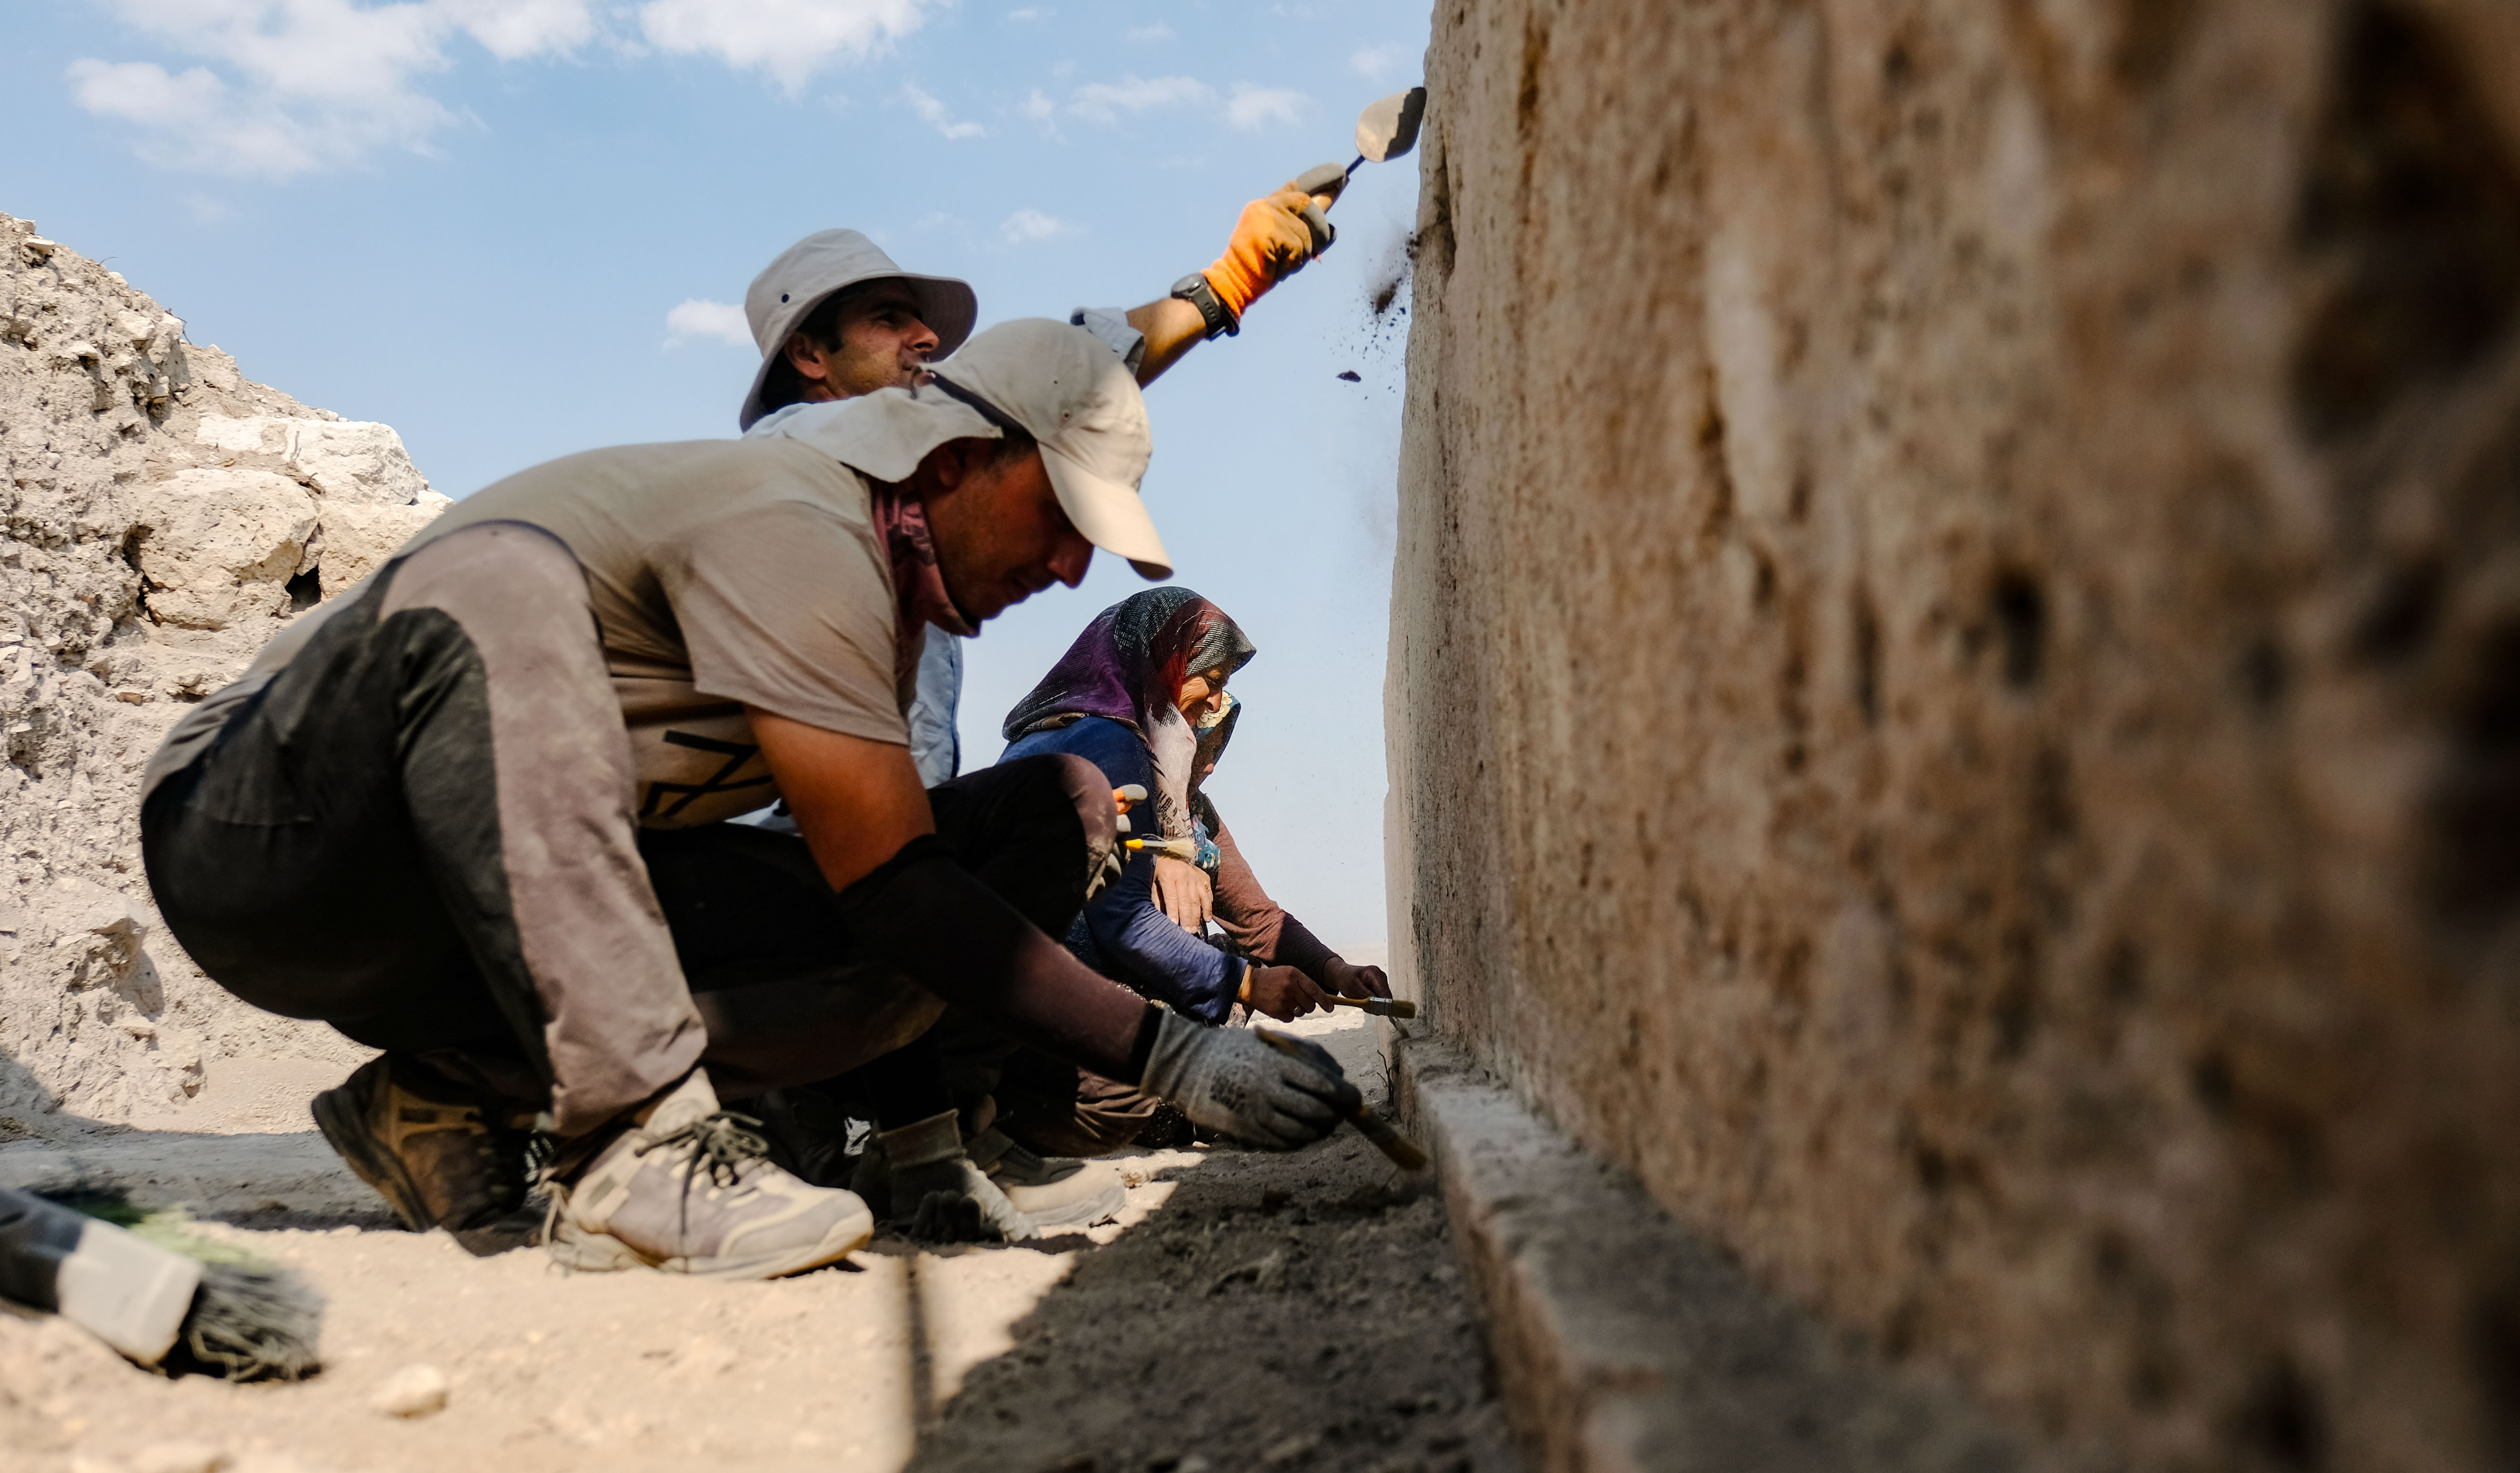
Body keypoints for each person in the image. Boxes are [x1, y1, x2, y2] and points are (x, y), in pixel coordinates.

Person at [137, 321, 1362, 1278]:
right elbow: (897, 891)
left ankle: (454, 1089)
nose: (1067, 569)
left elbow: (897, 902)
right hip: (267, 835)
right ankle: (633, 1149)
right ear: (955, 461)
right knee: (504, 585)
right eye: (1057, 520)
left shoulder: (874, 626)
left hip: (484, 911)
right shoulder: (801, 521)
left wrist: (926, 1152)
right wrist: (1177, 1055)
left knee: (1040, 812)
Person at [734, 173, 1343, 787]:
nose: (925, 338)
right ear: (810, 355)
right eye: (888, 320)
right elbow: (1051, 381)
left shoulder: (898, 487)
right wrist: (1228, 284)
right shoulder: (798, 449)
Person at [964, 588, 1391, 1155]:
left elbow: (1256, 918)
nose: (1209, 720)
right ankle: (997, 1125)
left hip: (989, 996)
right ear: (1159, 667)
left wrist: (1333, 970)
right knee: (1147, 1070)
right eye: (1206, 683)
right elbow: (1121, 921)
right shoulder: (1108, 746)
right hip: (1038, 999)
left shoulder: (1169, 803)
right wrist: (1245, 983)